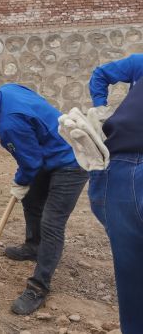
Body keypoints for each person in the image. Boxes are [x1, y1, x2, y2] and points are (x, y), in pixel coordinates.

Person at [0, 69, 89, 315]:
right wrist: (25, 183)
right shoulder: (10, 91)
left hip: (71, 161)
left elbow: (30, 163)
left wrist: (19, 181)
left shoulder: (9, 122)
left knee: (52, 223)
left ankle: (38, 287)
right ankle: (33, 246)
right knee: (31, 198)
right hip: (49, 152)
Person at [59, 54, 143, 334]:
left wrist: (100, 109)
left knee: (133, 286)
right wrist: (100, 107)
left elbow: (100, 74)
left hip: (115, 173)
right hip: (118, 172)